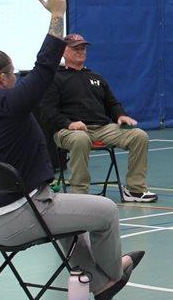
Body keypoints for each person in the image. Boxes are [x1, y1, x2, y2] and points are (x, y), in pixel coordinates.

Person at [0, 0, 143, 300]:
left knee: (74, 219)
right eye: (13, 73)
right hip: (21, 217)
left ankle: (99, 285)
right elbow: (45, 67)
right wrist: (57, 16)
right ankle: (115, 274)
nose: (17, 77)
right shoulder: (11, 105)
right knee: (107, 211)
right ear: (3, 79)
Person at [40, 34, 157, 202]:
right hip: (67, 131)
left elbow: (112, 103)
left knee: (139, 136)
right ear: (63, 51)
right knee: (80, 139)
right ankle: (79, 194)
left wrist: (120, 115)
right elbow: (48, 111)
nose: (81, 51)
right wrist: (69, 124)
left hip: (102, 128)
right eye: (75, 48)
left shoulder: (96, 77)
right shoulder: (54, 78)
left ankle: (135, 189)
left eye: (83, 48)